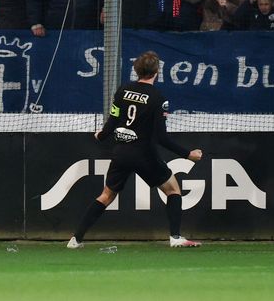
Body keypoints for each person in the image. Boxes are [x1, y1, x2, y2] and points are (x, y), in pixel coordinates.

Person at [67, 51, 203, 249]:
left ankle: (76, 239)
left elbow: (113, 119)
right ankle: (175, 237)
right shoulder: (158, 98)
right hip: (144, 154)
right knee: (173, 190)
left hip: (121, 152)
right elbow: (161, 137)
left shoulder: (123, 90)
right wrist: (188, 154)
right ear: (156, 71)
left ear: (136, 70)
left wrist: (102, 135)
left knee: (106, 196)